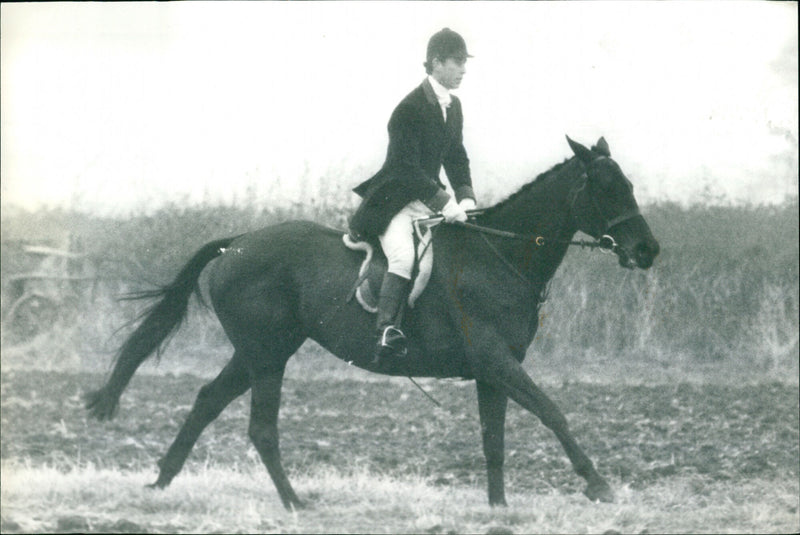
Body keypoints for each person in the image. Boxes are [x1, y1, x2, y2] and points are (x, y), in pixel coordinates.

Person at [349, 28, 477, 363]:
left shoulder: (454, 106)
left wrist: (465, 197)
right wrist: (444, 202)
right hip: (395, 204)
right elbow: (406, 170)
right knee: (404, 259)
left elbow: (456, 156)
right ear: (437, 63)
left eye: (465, 63)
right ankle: (386, 330)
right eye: (458, 62)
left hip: (425, 201)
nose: (464, 70)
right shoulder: (408, 109)